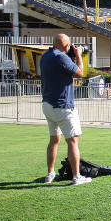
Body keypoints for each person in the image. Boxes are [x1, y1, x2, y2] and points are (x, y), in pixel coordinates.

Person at [39, 34, 92, 185]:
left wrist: (71, 55)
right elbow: (80, 73)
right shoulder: (61, 58)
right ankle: (76, 177)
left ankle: (50, 174)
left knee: (54, 140)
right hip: (63, 106)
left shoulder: (46, 56)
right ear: (67, 46)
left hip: (48, 104)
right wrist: (78, 55)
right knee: (73, 142)